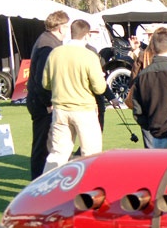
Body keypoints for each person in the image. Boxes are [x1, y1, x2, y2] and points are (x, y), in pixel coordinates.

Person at [40, 19, 107, 171]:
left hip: (60, 110)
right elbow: (99, 88)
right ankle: (88, 189)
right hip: (84, 110)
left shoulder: (55, 53)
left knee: (58, 154)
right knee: (91, 154)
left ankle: (48, 189)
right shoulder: (89, 56)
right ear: (87, 35)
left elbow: (45, 83)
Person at [27, 10, 70, 179]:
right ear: (60, 27)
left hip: (40, 100)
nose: (67, 31)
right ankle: (38, 182)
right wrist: (48, 103)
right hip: (42, 102)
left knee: (46, 144)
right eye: (66, 27)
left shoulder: (46, 40)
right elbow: (41, 79)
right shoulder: (48, 45)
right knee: (42, 146)